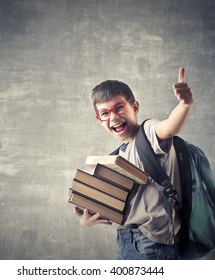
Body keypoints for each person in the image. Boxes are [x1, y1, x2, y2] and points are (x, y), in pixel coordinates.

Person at [73, 67, 194, 260]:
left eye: (119, 107)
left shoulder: (148, 133)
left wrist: (184, 105)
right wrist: (87, 220)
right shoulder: (116, 158)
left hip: (152, 245)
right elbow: (121, 208)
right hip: (125, 241)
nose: (113, 117)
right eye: (104, 113)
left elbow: (168, 127)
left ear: (135, 106)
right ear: (99, 120)